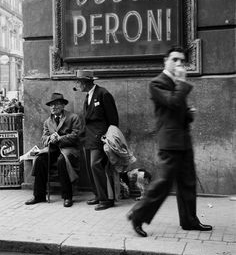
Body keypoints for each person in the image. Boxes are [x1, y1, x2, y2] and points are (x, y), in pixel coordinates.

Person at [127, 46, 212, 237]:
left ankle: (189, 221)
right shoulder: (157, 83)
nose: (179, 64)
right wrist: (182, 83)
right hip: (170, 143)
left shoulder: (175, 83)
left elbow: (178, 111)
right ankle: (137, 216)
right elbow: (172, 102)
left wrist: (189, 114)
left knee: (188, 182)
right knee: (163, 183)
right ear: (165, 61)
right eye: (175, 59)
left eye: (182, 61)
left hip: (183, 141)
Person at [25, 92, 83, 207]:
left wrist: (60, 138)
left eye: (56, 104)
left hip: (69, 149)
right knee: (40, 159)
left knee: (62, 161)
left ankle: (67, 197)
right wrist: (49, 138)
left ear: (63, 106)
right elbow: (43, 138)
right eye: (51, 105)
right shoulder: (48, 121)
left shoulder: (73, 117)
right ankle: (39, 195)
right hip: (53, 149)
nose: (53, 107)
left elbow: (76, 136)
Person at [74, 70, 119, 210]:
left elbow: (113, 120)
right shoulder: (89, 95)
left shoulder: (103, 94)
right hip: (88, 138)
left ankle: (107, 200)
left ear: (85, 82)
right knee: (91, 167)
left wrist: (108, 138)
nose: (77, 85)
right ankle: (98, 195)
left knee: (96, 165)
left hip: (100, 138)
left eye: (78, 82)